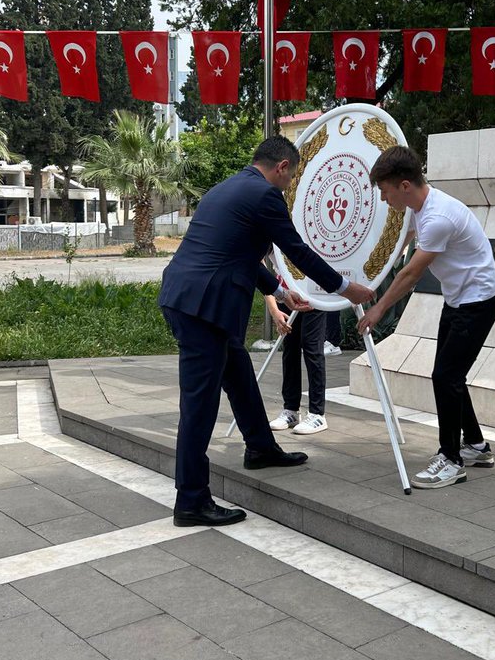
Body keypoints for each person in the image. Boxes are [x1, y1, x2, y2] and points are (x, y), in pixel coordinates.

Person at [159, 135, 374, 526]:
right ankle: (190, 501)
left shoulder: (226, 188)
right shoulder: (264, 195)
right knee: (199, 407)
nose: (288, 186)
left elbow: (235, 253)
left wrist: (280, 291)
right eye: (290, 178)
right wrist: (344, 287)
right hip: (203, 310)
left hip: (192, 299)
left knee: (239, 376)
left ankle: (259, 448)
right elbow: (297, 250)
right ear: (282, 167)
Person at [357, 147, 495, 489]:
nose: (383, 198)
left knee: (445, 376)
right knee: (450, 376)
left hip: (478, 301)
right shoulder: (418, 207)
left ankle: (451, 460)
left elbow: (410, 275)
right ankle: (477, 447)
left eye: (385, 190)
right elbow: (397, 245)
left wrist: (377, 309)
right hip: (459, 299)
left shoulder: (439, 217)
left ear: (404, 185)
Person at [265, 290, 329, 436]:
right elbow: (264, 281)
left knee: (311, 346)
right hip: (285, 292)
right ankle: (291, 409)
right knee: (289, 346)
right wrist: (275, 310)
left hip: (314, 291)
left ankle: (317, 413)